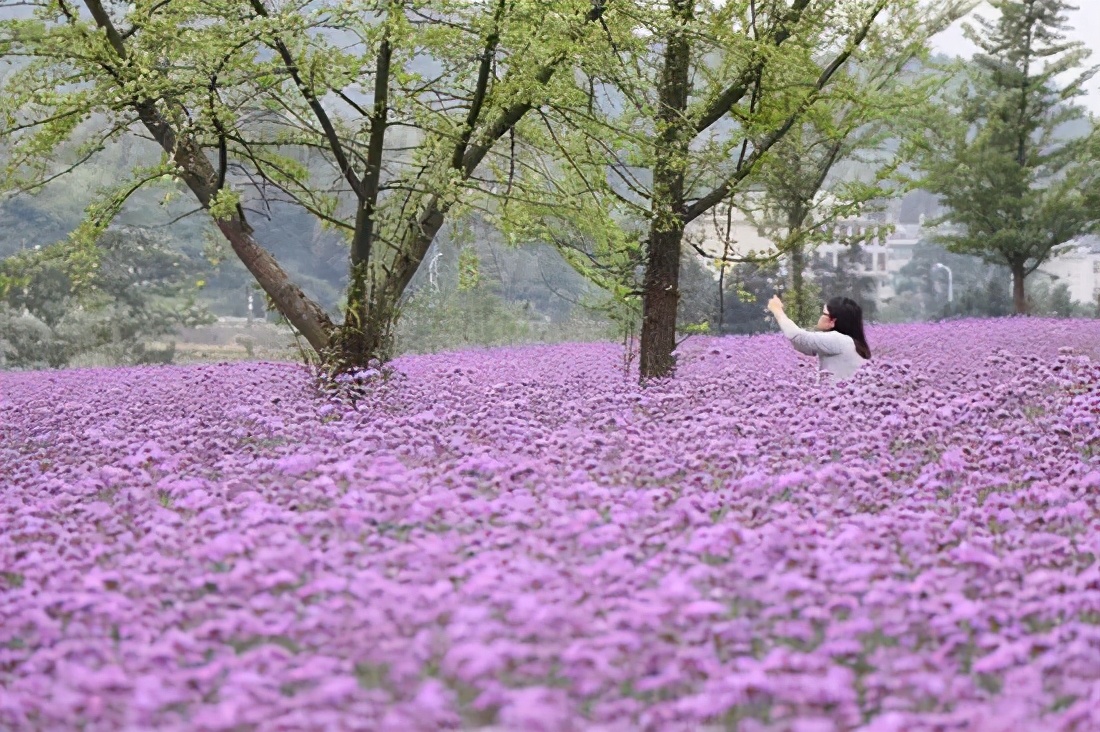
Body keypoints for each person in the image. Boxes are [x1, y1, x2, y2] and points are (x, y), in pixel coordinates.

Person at [767, 294, 871, 382]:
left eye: (824, 313)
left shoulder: (838, 340)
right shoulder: (848, 342)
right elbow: (802, 345)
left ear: (832, 321)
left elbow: (797, 336)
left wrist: (777, 310)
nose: (820, 317)